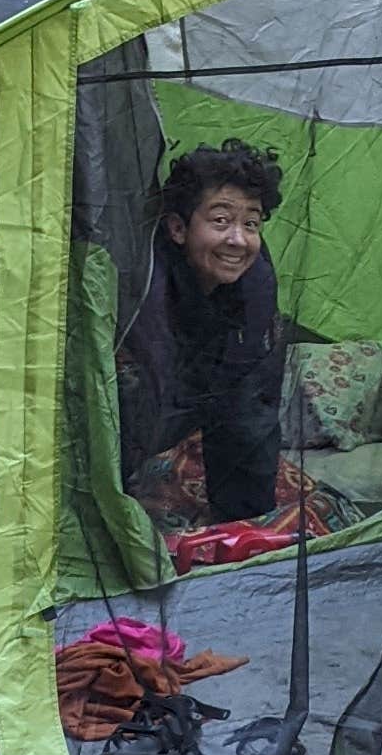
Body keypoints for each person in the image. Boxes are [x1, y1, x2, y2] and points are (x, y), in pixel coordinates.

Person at [117, 138, 287, 526]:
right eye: (221, 220)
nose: (238, 240)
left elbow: (251, 414)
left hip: (205, 379)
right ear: (178, 228)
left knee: (248, 412)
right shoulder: (141, 285)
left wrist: (247, 528)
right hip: (141, 397)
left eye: (252, 224)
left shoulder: (255, 281)